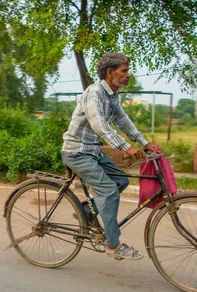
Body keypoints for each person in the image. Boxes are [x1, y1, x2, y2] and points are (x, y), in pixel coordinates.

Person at [61, 52, 160, 260]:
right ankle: (113, 245)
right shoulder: (94, 92)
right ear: (110, 72)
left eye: (127, 71)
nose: (128, 75)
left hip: (93, 152)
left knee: (120, 180)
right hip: (77, 152)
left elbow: (123, 121)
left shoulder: (112, 96)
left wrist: (144, 143)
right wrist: (125, 147)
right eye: (124, 71)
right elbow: (100, 126)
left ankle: (86, 212)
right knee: (108, 191)